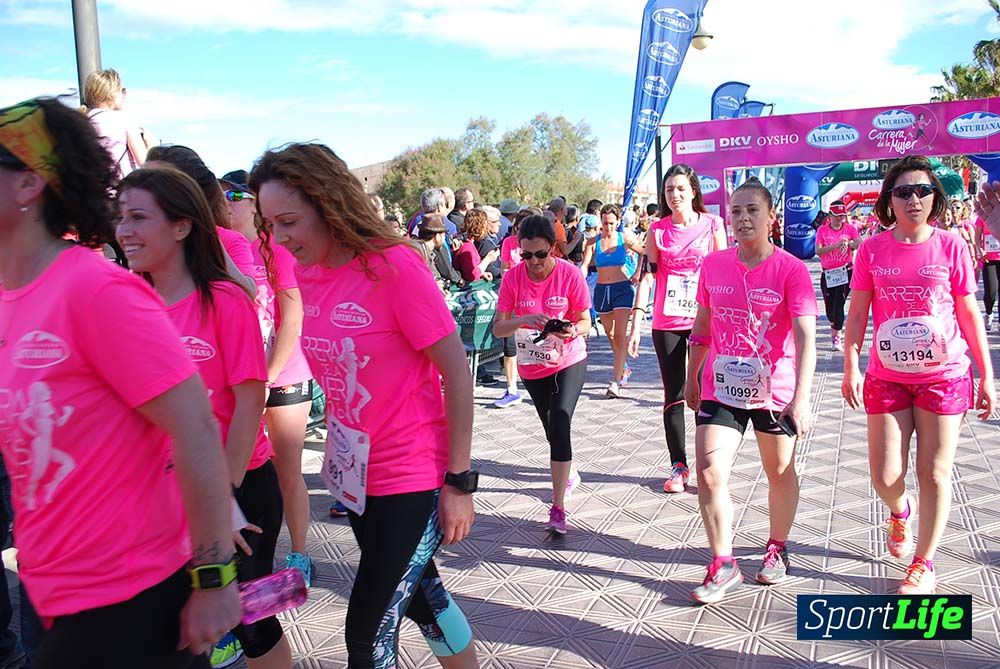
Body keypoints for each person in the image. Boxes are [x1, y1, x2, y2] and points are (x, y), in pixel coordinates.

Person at [0, 97, 240, 666]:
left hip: (129, 592)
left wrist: (214, 581)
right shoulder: (12, 300)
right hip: (53, 587)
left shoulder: (95, 290)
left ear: (29, 183)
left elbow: (197, 429)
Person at [251, 142, 479, 669]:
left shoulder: (393, 266)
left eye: (289, 221)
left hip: (413, 474)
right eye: (271, 224)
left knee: (366, 633)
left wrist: (459, 480)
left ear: (329, 205)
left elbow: (456, 372)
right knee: (424, 597)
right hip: (355, 473)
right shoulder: (306, 272)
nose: (280, 237)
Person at [116, 167, 292, 668]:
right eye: (120, 216)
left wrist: (226, 498)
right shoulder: (129, 302)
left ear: (182, 225)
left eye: (138, 217)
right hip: (166, 492)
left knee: (253, 619)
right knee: (181, 623)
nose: (124, 229)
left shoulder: (224, 300)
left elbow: (249, 400)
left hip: (240, 484)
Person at [843, 156, 995, 595]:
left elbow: (968, 312)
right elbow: (857, 313)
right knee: (885, 475)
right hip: (887, 376)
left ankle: (923, 563)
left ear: (935, 199)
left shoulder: (952, 246)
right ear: (889, 200)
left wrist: (986, 375)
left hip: (945, 375)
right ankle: (899, 509)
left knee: (934, 471)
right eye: (903, 191)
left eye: (922, 191)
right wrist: (852, 363)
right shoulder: (872, 249)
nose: (913, 199)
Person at [684, 177, 817, 605]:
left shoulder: (791, 270)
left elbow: (805, 339)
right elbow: (701, 329)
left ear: (770, 217)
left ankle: (777, 547)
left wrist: (801, 397)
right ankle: (723, 563)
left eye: (752, 210)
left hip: (772, 392)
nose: (742, 218)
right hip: (721, 388)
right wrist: (691, 377)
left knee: (778, 471)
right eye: (736, 211)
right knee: (708, 472)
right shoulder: (714, 265)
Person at [219, 169, 318, 583]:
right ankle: (255, 556)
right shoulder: (221, 249)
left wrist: (267, 378)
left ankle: (300, 555)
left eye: (236, 195)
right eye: (222, 196)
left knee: (286, 470)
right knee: (246, 472)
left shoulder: (275, 250)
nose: (228, 203)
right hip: (244, 383)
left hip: (284, 374)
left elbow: (291, 320)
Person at [628, 164, 727, 493]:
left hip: (704, 320)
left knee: (702, 392)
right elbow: (647, 277)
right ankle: (678, 466)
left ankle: (706, 465)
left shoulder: (713, 225)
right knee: (674, 393)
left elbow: (725, 273)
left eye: (681, 189)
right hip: (667, 321)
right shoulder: (657, 230)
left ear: (694, 191)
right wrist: (635, 325)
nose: (675, 195)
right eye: (670, 190)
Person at [493, 216, 592, 535]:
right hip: (532, 364)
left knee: (561, 419)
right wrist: (525, 318)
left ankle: (558, 506)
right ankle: (569, 470)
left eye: (540, 254)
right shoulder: (512, 279)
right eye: (526, 255)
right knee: (552, 429)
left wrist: (570, 329)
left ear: (552, 248)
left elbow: (586, 323)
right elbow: (498, 328)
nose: (533, 262)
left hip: (569, 358)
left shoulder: (570, 274)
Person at [145, 145, 256, 297]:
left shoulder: (227, 240)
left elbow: (247, 295)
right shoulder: (144, 241)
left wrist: (204, 234)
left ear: (191, 192)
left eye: (156, 184)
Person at [580, 204, 644, 398]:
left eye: (611, 223)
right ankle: (623, 367)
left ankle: (614, 382)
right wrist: (577, 279)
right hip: (601, 290)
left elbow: (644, 252)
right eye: (605, 223)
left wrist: (637, 274)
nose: (608, 228)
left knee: (619, 335)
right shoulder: (592, 242)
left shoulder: (624, 238)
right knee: (610, 334)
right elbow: (584, 265)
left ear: (618, 222)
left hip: (621, 289)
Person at [494, 209, 537, 409]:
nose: (522, 234)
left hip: (534, 299)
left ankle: (540, 384)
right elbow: (504, 268)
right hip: (512, 296)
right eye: (519, 229)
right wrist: (513, 277)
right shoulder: (508, 243)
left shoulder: (538, 244)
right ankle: (512, 389)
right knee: (509, 344)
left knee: (535, 343)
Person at [81, 68, 152, 178]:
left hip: (91, 191)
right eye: (121, 90)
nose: (124, 94)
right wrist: (151, 144)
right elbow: (145, 163)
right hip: (121, 189)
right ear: (112, 94)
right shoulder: (124, 119)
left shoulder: (82, 121)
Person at [815, 200, 860, 351]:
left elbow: (859, 242)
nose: (840, 219)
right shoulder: (822, 231)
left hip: (845, 271)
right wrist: (835, 246)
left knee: (839, 305)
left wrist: (849, 244)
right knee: (830, 310)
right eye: (836, 216)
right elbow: (818, 251)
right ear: (830, 216)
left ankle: (837, 337)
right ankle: (834, 325)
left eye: (842, 216)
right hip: (828, 273)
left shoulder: (850, 229)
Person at [453, 209, 499, 283]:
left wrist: (482, 273)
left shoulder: (470, 244)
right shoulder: (466, 247)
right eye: (484, 226)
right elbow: (471, 275)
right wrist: (488, 259)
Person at [974, 201, 1000, 331]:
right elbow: (977, 235)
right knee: (991, 291)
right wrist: (980, 250)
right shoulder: (984, 216)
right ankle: (989, 313)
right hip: (989, 259)